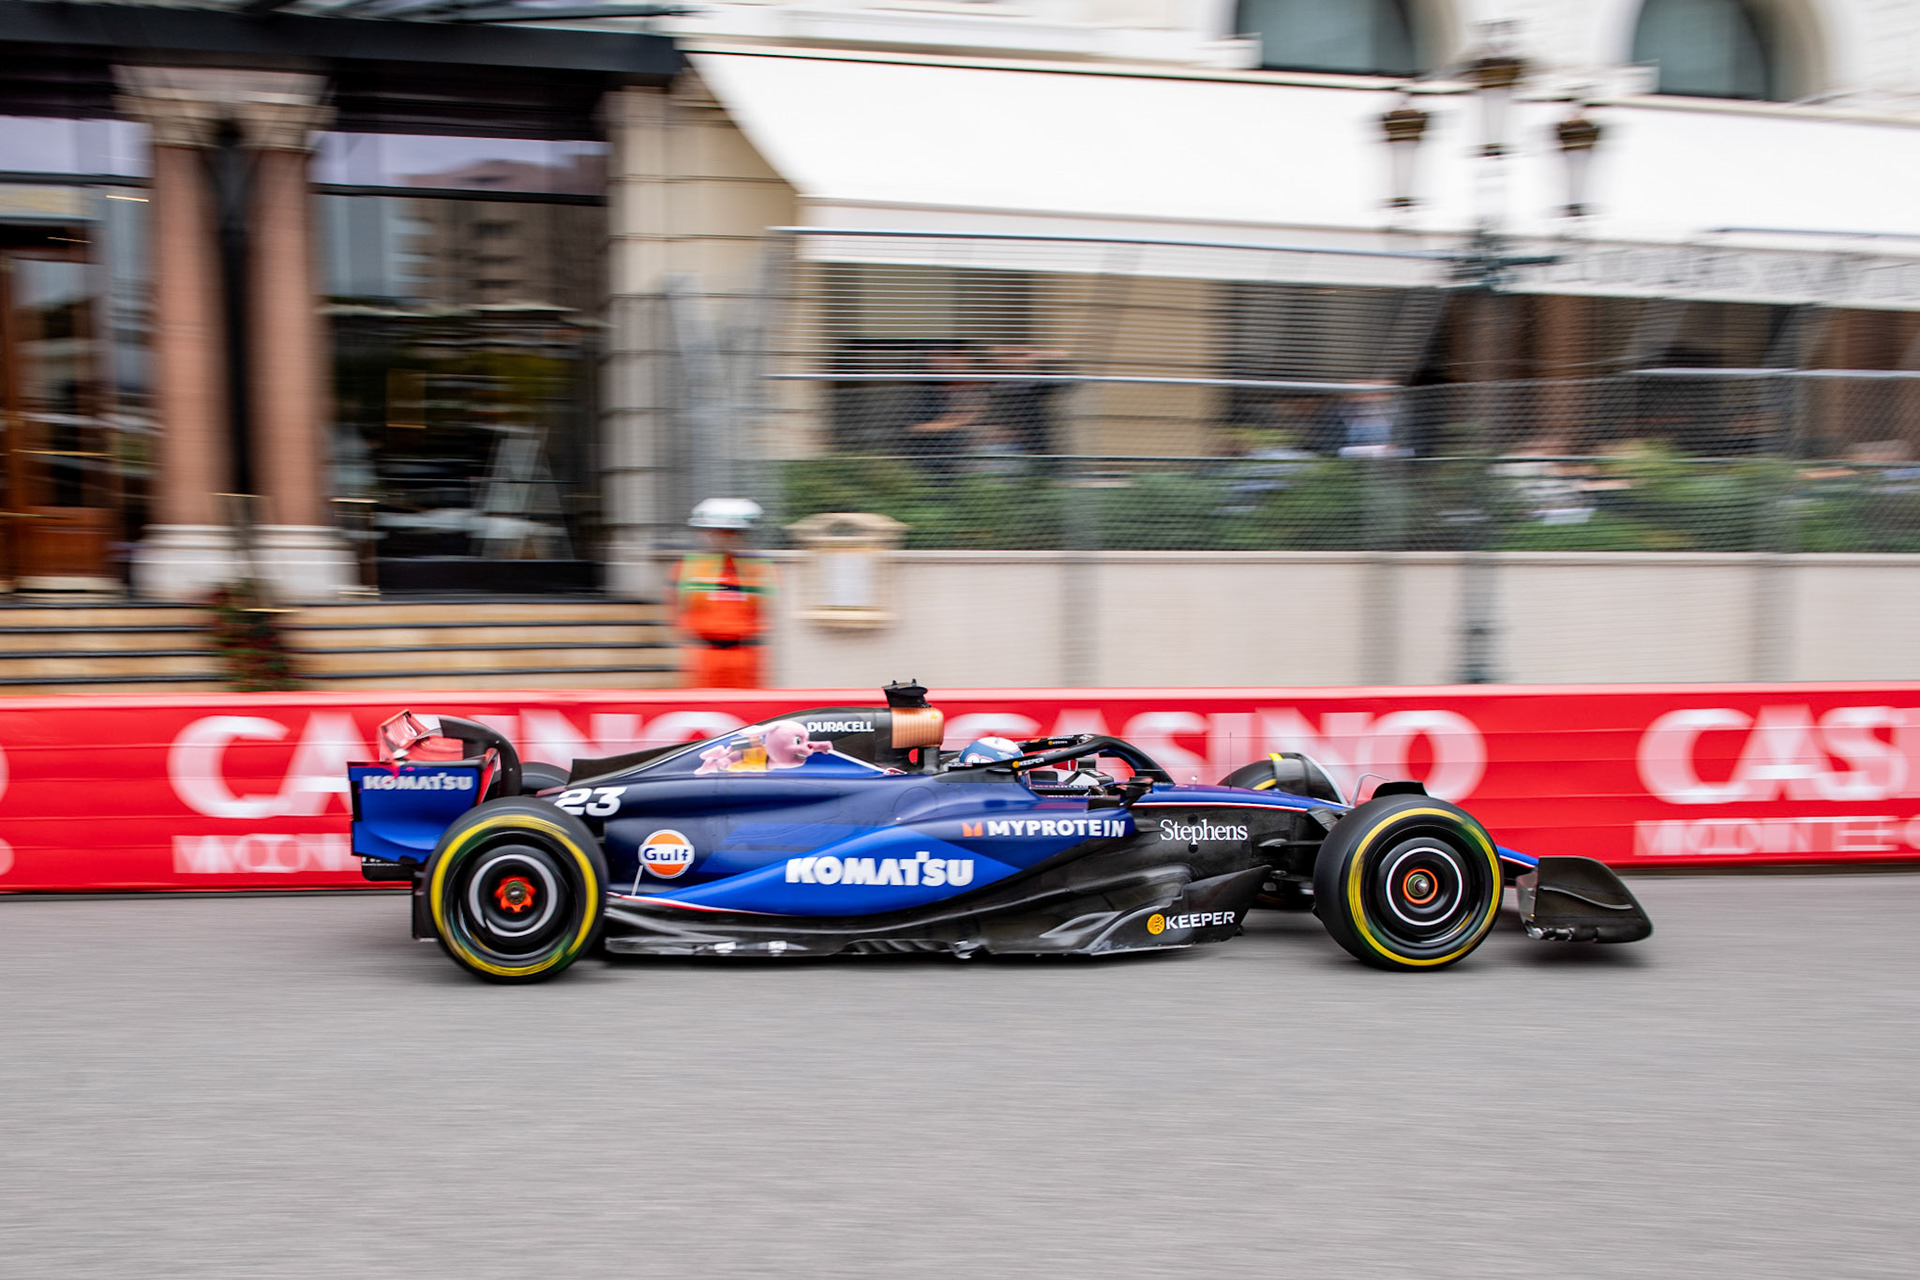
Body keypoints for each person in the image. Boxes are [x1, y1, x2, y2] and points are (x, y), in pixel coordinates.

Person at [673, 497, 773, 688]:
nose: (726, 537)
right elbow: (676, 611)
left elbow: (763, 611)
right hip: (705, 654)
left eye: (732, 532)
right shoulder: (688, 568)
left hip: (745, 654)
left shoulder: (757, 568)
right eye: (720, 532)